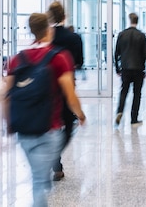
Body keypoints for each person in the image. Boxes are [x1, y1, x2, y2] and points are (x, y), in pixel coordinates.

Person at [6, 13, 86, 207]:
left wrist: (8, 123)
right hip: (49, 128)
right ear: (49, 30)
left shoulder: (17, 59)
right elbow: (69, 93)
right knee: (40, 181)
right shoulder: (59, 57)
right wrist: (81, 115)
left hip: (24, 129)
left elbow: (6, 95)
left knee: (39, 175)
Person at [46, 1, 84, 182]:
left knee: (51, 123)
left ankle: (55, 162)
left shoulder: (47, 36)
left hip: (47, 86)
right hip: (67, 84)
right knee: (68, 123)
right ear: (64, 16)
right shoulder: (74, 38)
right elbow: (80, 62)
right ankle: (55, 156)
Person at [114, 13, 146, 126]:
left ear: (129, 20)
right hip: (138, 69)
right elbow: (145, 54)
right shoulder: (141, 35)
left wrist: (117, 68)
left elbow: (116, 53)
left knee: (124, 91)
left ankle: (119, 111)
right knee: (137, 93)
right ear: (137, 21)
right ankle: (134, 118)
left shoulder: (121, 35)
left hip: (125, 68)